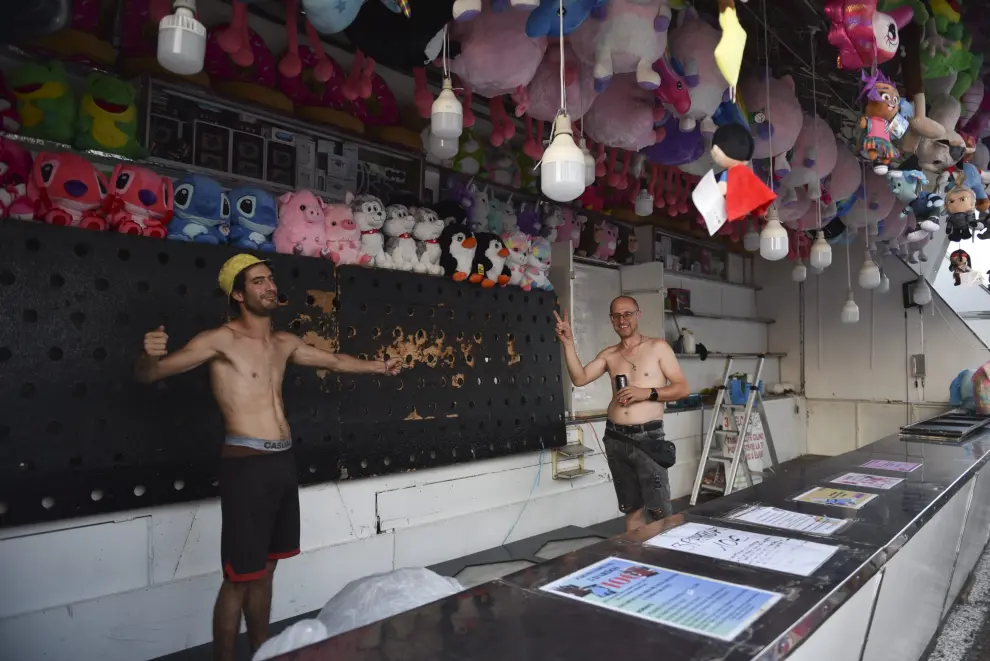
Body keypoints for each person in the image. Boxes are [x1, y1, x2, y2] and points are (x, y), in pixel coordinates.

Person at [134, 254, 402, 661]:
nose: (270, 287)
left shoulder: (284, 342)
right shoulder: (219, 340)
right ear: (239, 294)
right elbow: (150, 376)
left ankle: (264, 653)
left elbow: (334, 361)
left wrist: (380, 366)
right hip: (246, 466)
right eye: (258, 282)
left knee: (268, 568)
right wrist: (148, 356)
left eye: (270, 280)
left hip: (282, 464)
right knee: (238, 579)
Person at [554, 295, 689, 532]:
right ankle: (638, 562)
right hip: (616, 438)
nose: (622, 319)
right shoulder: (609, 355)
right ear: (611, 320)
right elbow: (580, 378)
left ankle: (663, 562)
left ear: (638, 315)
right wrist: (568, 344)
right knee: (632, 509)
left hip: (648, 438)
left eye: (627, 313)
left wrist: (646, 393)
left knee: (659, 512)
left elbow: (681, 388)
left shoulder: (658, 347)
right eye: (616, 315)